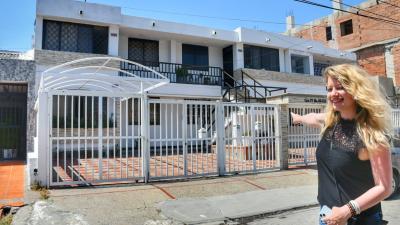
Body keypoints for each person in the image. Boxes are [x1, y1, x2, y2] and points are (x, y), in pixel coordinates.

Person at [291, 64, 393, 225]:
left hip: (360, 219)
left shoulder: (372, 134)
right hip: (327, 214)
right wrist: (295, 118)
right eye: (329, 89)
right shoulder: (331, 122)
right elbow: (311, 117)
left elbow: (385, 187)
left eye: (339, 88)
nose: (333, 94)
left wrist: (347, 211)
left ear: (356, 90)